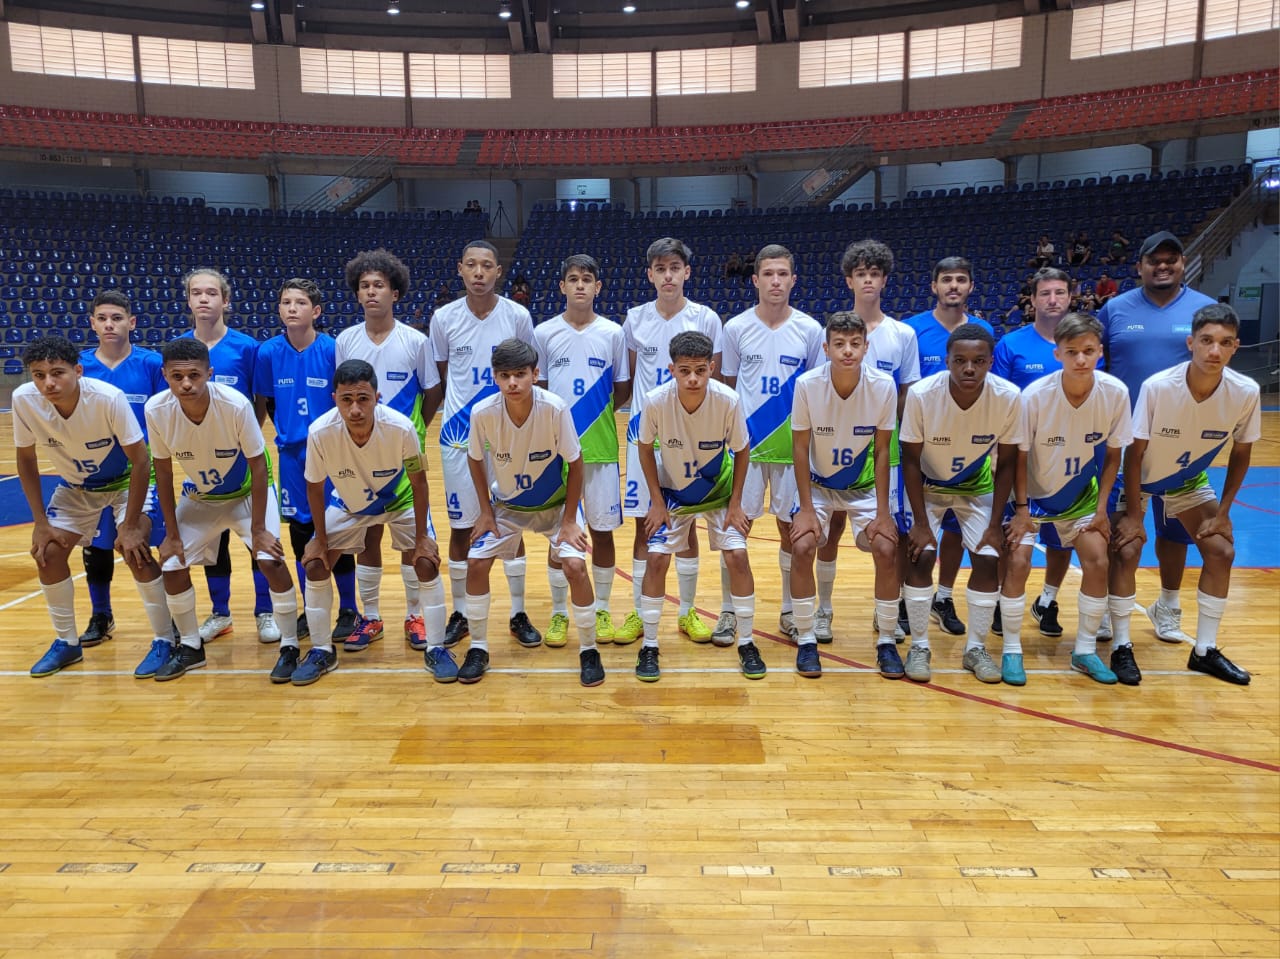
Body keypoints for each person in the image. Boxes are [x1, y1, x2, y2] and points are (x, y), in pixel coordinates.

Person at [1111, 303, 1258, 685]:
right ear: (1191, 342)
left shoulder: (1245, 392)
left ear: (1235, 347)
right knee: (1126, 550)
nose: (1214, 351)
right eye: (1206, 340)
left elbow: (1241, 453)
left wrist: (1223, 513)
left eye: (1224, 343)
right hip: (1140, 480)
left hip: (1187, 482)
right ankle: (1121, 646)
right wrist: (1133, 513)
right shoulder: (1158, 387)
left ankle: (1205, 651)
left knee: (1222, 550)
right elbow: (1134, 452)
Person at [15, 335, 175, 679]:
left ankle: (165, 638)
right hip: (77, 487)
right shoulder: (23, 400)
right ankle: (66, 642)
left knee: (135, 550)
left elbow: (141, 460)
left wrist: (130, 524)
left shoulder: (107, 398)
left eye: (57, 372)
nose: (48, 382)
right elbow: (25, 459)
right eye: (39, 374)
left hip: (126, 481)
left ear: (78, 370)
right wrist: (40, 522)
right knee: (48, 552)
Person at [144, 338, 299, 682]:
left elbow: (260, 467)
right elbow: (164, 473)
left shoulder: (235, 404)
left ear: (209, 374)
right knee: (171, 562)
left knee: (271, 559)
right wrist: (170, 535)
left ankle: (290, 645)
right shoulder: (156, 410)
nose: (186, 383)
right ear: (164, 375)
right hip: (201, 499)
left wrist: (259, 530)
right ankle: (189, 647)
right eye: (177, 376)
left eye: (195, 375)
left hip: (246, 495)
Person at [294, 360, 447, 686]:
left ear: (377, 397)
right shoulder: (320, 432)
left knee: (425, 562)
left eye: (362, 398)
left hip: (400, 500)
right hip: (349, 505)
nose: (355, 409)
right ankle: (322, 651)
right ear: (334, 397)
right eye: (346, 399)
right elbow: (313, 486)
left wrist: (422, 537)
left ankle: (436, 647)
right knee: (316, 564)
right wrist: (319, 539)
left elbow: (419, 483)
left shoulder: (401, 427)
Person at [463, 339, 604, 687]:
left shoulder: (555, 408)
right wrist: (485, 511)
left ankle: (589, 650)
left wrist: (570, 519)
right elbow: (474, 458)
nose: (513, 383)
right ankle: (478, 647)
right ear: (495, 377)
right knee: (477, 562)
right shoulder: (483, 413)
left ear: (535, 374)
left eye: (521, 375)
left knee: (574, 565)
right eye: (505, 376)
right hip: (508, 507)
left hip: (556, 507)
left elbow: (576, 462)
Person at [1001, 313, 1131, 686]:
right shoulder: (1035, 396)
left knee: (1097, 558)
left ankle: (1085, 650)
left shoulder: (1115, 393)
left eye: (1088, 351)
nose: (1080, 359)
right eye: (1072, 351)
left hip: (1080, 496)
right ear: (1057, 353)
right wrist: (1023, 511)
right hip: (1031, 495)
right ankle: (1012, 649)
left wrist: (1103, 508)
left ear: (1100, 353)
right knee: (1019, 561)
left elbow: (1113, 455)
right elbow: (1020, 458)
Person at [1098, 230, 1216, 644]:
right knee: (1122, 531)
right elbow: (1101, 367)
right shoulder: (1115, 309)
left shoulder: (1206, 309)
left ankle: (1167, 604)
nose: (1163, 266)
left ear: (1183, 264)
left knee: (1175, 531)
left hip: (1181, 440)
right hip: (1125, 438)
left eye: (1171, 260)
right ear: (1140, 266)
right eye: (1154, 260)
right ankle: (1114, 610)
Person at [899, 324, 1022, 685]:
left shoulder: (1008, 396)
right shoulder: (923, 394)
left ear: (991, 362)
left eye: (979, 361)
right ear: (947, 361)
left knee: (988, 557)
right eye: (961, 360)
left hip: (975, 486)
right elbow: (909, 460)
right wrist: (920, 523)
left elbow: (1009, 463)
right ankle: (919, 645)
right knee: (921, 554)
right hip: (926, 486)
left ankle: (975, 648)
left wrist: (995, 524)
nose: (969, 368)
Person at [634, 331, 760, 683]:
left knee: (737, 555)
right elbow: (645, 448)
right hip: (674, 493)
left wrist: (736, 504)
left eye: (701, 370)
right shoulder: (656, 400)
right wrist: (656, 502)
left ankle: (747, 642)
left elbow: (742, 450)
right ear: (671, 368)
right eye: (685, 370)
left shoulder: (728, 400)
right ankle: (651, 645)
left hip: (718, 491)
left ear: (712, 368)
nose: (693, 378)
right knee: (656, 558)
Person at [430, 240, 538, 648]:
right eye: (471, 265)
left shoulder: (518, 315)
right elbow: (444, 376)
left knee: (513, 519)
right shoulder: (444, 318)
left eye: (487, 266)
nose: (479, 272)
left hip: (510, 432)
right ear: (460, 269)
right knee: (461, 527)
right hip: (459, 436)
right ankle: (460, 610)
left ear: (498, 272)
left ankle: (518, 611)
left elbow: (528, 374)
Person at [335, 249, 443, 653]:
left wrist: (414, 430)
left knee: (412, 538)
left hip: (403, 456)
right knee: (367, 538)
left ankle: (414, 613)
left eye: (379, 285)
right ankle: (372, 615)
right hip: (359, 453)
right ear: (357, 294)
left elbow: (433, 392)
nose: (371, 292)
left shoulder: (415, 340)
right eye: (364, 286)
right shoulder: (346, 339)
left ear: (395, 292)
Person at [617, 238, 723, 644]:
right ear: (649, 275)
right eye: (659, 268)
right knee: (646, 525)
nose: (667, 275)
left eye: (674, 268)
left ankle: (687, 611)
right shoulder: (634, 319)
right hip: (646, 435)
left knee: (688, 522)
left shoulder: (706, 318)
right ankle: (641, 615)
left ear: (686, 273)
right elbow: (627, 381)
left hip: (693, 437)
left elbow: (717, 378)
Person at [719, 244, 824, 643]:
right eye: (768, 274)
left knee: (790, 531)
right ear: (755, 280)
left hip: (791, 450)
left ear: (793, 280)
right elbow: (727, 388)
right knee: (734, 529)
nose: (775, 281)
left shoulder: (810, 330)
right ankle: (729, 611)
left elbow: (816, 390)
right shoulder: (736, 328)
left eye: (783, 274)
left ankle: (788, 611)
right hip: (745, 448)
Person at [819, 239, 921, 644]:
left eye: (874, 274)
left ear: (884, 280)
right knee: (828, 534)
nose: (868, 280)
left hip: (880, 451)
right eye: (861, 273)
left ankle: (887, 615)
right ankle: (823, 612)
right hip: (831, 450)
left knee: (886, 536)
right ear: (849, 280)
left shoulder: (902, 334)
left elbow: (907, 397)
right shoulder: (832, 332)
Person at [788, 312, 900, 679]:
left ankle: (886, 639)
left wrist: (884, 513)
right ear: (826, 348)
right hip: (819, 486)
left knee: (886, 547)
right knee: (803, 545)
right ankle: (806, 639)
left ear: (866, 347)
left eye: (855, 344)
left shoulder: (883, 386)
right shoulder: (807, 384)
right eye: (839, 344)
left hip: (863, 487)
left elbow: (883, 452)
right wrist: (805, 508)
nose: (847, 351)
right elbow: (800, 448)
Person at [254, 278, 362, 655]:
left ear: (315, 311)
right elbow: (267, 402)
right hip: (291, 455)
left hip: (332, 451)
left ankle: (348, 607)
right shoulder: (268, 353)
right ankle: (313, 604)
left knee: (338, 525)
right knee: (302, 530)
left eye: (300, 302)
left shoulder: (333, 349)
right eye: (286, 302)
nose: (292, 308)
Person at [533, 254, 631, 648]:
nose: (579, 285)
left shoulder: (613, 333)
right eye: (572, 278)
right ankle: (559, 613)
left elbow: (621, 388)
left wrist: (597, 415)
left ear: (597, 288)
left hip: (601, 447)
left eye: (586, 279)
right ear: (561, 286)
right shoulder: (544, 334)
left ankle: (603, 608)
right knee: (559, 535)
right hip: (555, 453)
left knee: (602, 533)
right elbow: (535, 388)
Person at [178, 268, 276, 644]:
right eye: (197, 293)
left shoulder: (246, 348)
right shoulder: (178, 349)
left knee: (258, 541)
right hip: (199, 464)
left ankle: (265, 611)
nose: (204, 299)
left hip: (241, 460)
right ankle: (220, 614)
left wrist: (246, 435)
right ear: (188, 300)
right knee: (213, 542)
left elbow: (260, 401)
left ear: (225, 301)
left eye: (211, 293)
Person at [992, 267, 1089, 641]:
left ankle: (1048, 600)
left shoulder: (1085, 345)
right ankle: (1005, 599)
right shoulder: (1011, 345)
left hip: (1070, 455)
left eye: (1060, 293)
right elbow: (999, 399)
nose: (1053, 299)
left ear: (1070, 297)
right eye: (1045, 293)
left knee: (1061, 538)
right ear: (1032, 300)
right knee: (1012, 537)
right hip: (1021, 456)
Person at [905, 257, 994, 640]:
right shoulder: (913, 330)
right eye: (946, 280)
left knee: (959, 529)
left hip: (969, 447)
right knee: (917, 534)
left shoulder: (983, 330)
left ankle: (944, 596)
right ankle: (906, 602)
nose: (953, 286)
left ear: (971, 286)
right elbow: (904, 385)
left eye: (961, 279)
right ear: (934, 286)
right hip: (922, 443)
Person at [75, 291, 167, 649]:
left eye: (117, 318)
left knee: (145, 546)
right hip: (96, 473)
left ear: (131, 322)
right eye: (103, 318)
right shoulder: (80, 367)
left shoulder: (150, 364)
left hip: (142, 471)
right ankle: (101, 614)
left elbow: (164, 413)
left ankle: (166, 619)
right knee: (96, 548)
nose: (109, 324)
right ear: (93, 323)